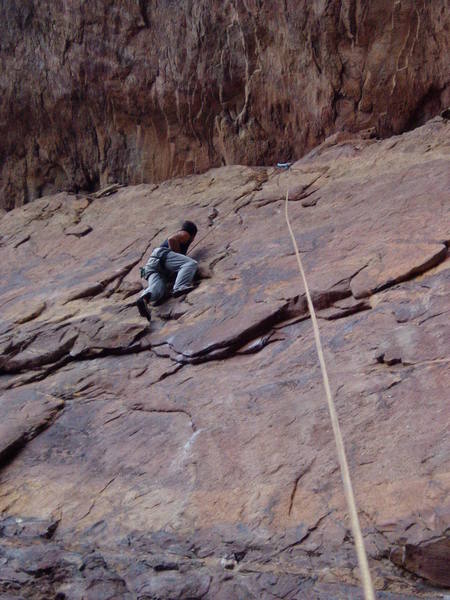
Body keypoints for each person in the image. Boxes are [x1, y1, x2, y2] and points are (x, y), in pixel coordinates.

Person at [137, 221, 198, 321]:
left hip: (152, 267)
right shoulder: (186, 234)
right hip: (162, 256)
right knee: (190, 263)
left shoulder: (184, 238)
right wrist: (179, 255)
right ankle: (180, 287)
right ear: (193, 235)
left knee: (158, 290)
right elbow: (172, 239)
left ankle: (144, 299)